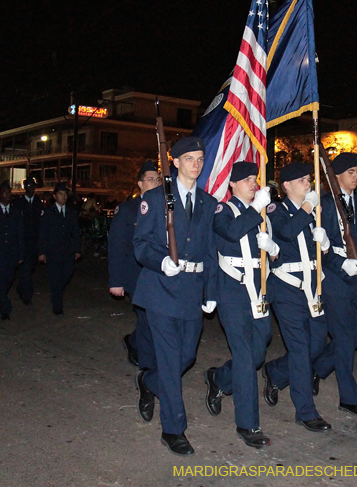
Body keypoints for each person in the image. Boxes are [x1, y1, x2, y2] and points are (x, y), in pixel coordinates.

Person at [132, 136, 217, 456]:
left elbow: (210, 249)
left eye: (200, 159)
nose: (196, 164)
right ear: (175, 162)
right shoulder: (155, 198)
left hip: (193, 290)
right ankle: (174, 428)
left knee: (186, 357)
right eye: (190, 158)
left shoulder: (208, 202)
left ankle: (148, 383)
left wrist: (211, 289)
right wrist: (161, 260)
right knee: (170, 361)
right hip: (161, 290)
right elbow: (141, 244)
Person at [204, 161, 276, 448]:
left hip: (259, 291)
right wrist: (255, 207)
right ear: (232, 184)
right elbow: (231, 233)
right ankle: (248, 424)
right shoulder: (223, 210)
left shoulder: (263, 213)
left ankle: (220, 379)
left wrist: (275, 249)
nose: (253, 183)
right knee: (246, 357)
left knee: (259, 349)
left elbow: (273, 254)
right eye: (246, 179)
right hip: (232, 290)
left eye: (255, 179)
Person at [262, 162, 331, 433]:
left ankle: (277, 372)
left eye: (309, 179)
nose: (308, 184)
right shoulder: (276, 209)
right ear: (287, 185)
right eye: (302, 180)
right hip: (287, 287)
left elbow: (318, 251)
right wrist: (307, 208)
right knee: (301, 349)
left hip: (313, 286)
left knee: (316, 345)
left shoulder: (315, 211)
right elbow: (287, 231)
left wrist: (324, 244)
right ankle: (305, 412)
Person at [312, 152, 357, 416]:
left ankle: (312, 369)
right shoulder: (325, 205)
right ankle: (349, 398)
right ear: (335, 176)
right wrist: (340, 265)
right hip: (334, 277)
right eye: (351, 172)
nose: (356, 176)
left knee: (356, 336)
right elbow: (318, 248)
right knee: (343, 337)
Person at [108, 160, 160, 369]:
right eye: (150, 179)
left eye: (157, 179)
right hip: (134, 274)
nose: (155, 183)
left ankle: (135, 341)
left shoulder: (166, 208)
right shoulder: (128, 209)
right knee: (147, 316)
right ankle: (146, 362)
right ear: (140, 184)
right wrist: (116, 280)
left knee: (153, 316)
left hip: (157, 273)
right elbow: (117, 246)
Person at [38, 182, 81, 315]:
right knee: (55, 278)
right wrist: (42, 252)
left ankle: (57, 292)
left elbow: (76, 232)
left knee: (67, 274)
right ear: (55, 196)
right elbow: (43, 233)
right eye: (61, 194)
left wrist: (78, 249)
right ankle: (57, 305)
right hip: (52, 251)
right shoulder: (48, 212)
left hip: (67, 251)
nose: (63, 197)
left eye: (65, 194)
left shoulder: (71, 213)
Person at [0, 181, 24, 320]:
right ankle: (4, 308)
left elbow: (20, 234)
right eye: (5, 193)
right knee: (1, 280)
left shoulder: (16, 212)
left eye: (9, 193)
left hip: (12, 252)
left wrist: (21, 253)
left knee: (9, 279)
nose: (8, 196)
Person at [12, 177, 43, 305]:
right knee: (25, 268)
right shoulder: (18, 203)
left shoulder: (38, 203)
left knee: (30, 267)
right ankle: (27, 294)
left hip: (34, 241)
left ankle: (21, 288)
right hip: (22, 241)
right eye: (28, 186)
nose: (31, 188)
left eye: (33, 186)